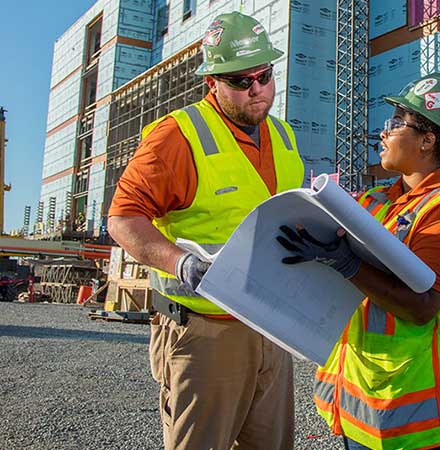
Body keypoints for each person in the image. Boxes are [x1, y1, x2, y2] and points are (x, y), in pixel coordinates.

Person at [107, 11, 303, 450]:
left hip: (270, 328)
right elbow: (123, 219)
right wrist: (181, 263)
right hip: (203, 332)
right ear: (212, 82)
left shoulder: (285, 138)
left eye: (265, 75)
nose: (257, 89)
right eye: (240, 80)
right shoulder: (177, 135)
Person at [277, 73, 440, 450]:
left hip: (408, 405)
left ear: (427, 139)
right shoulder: (374, 201)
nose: (383, 133)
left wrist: (347, 265)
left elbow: (424, 307)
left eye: (396, 123)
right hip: (358, 398)